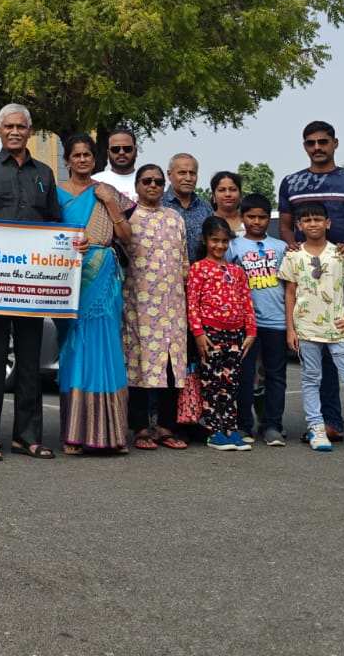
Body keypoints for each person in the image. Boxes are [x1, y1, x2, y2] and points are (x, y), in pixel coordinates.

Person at [277, 121, 344, 445]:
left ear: (335, 143)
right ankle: (329, 423)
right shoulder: (291, 182)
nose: (317, 147)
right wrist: (292, 244)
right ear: (304, 146)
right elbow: (284, 227)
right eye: (310, 142)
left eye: (323, 141)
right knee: (319, 355)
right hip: (311, 279)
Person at [0, 103, 60, 461]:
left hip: (33, 288)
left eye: (21, 126)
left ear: (29, 131)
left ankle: (27, 436)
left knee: (30, 363)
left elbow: (54, 225)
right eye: (9, 127)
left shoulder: (45, 174)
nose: (15, 132)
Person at [280, 200, 344, 454]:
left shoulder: (340, 254)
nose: (313, 224)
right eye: (307, 220)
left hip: (339, 330)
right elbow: (290, 292)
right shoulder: (293, 255)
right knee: (311, 379)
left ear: (328, 223)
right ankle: (316, 427)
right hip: (306, 330)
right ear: (299, 225)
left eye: (318, 219)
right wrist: (291, 329)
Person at [54, 135, 132, 455]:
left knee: (107, 348)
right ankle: (74, 434)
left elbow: (127, 237)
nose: (83, 160)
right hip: (69, 277)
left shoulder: (107, 193)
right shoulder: (56, 194)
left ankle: (111, 434)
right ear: (68, 160)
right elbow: (46, 232)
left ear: (94, 159)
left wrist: (111, 204)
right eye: (77, 155)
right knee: (75, 350)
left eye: (88, 154)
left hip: (103, 277)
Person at [122, 164, 189, 450]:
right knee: (138, 365)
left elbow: (185, 261)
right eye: (147, 181)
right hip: (138, 304)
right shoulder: (128, 217)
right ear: (137, 185)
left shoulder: (175, 218)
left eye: (158, 182)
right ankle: (139, 428)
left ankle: (166, 427)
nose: (153, 185)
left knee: (172, 367)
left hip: (174, 306)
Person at [186, 216, 255, 451]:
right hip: (210, 335)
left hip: (236, 335)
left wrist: (251, 332)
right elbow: (192, 303)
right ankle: (214, 431)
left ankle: (230, 428)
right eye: (215, 240)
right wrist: (198, 332)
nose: (220, 246)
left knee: (231, 383)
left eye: (225, 241)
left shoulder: (236, 271)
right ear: (205, 240)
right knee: (212, 383)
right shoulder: (197, 269)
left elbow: (247, 301)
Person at [229, 193, 289, 446]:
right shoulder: (234, 246)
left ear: (268, 218)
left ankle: (272, 424)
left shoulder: (281, 247)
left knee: (276, 375)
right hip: (246, 324)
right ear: (242, 218)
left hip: (277, 321)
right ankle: (244, 424)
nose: (256, 221)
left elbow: (290, 286)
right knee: (245, 374)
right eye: (251, 216)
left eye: (262, 217)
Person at [164, 153, 213, 260]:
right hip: (167, 274)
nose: (188, 178)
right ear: (169, 174)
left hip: (201, 274)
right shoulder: (159, 205)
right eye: (182, 173)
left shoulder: (206, 208)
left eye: (192, 173)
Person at [91, 126, 139, 207]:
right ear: (108, 153)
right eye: (115, 149)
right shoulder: (94, 182)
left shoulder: (152, 182)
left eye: (127, 149)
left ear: (136, 151)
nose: (121, 152)